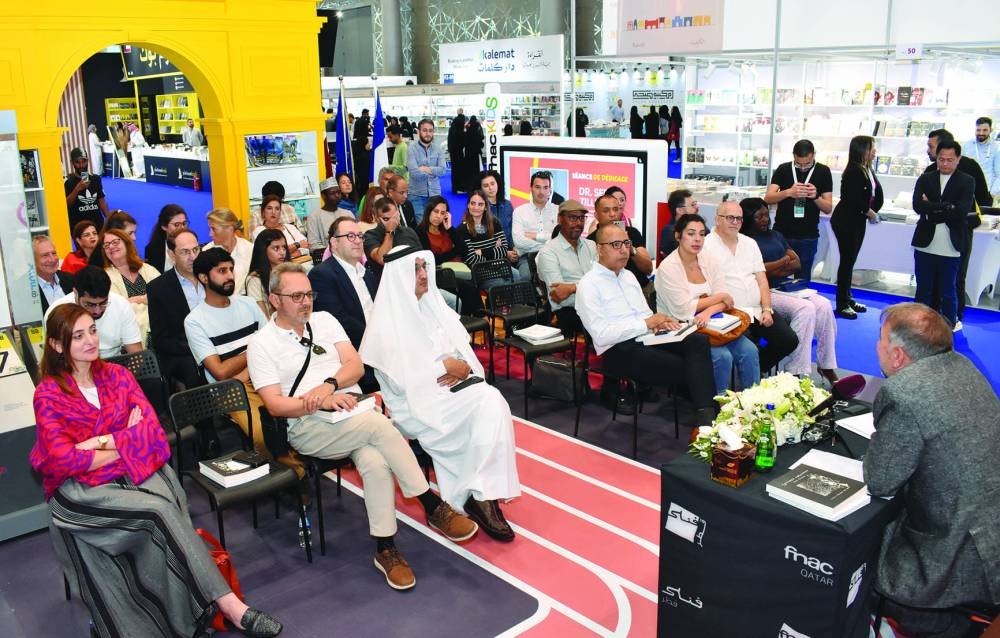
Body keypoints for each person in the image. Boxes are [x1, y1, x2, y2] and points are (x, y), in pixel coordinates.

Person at [30, 304, 283, 638]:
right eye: (78, 336)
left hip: (128, 473)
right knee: (159, 510)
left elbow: (154, 437)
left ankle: (189, 610)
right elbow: (64, 461)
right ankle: (232, 607)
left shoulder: (117, 376)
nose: (90, 340)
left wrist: (99, 443)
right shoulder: (48, 393)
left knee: (166, 494)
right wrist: (126, 439)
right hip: (80, 491)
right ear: (57, 345)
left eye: (92, 330)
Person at [247, 263, 478, 591]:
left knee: (374, 459)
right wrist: (319, 401)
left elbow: (355, 367)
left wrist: (329, 385)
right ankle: (430, 504)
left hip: (351, 413)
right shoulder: (261, 343)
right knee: (377, 426)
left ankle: (386, 548)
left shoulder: (325, 321)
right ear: (274, 299)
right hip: (306, 425)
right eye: (296, 296)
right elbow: (274, 404)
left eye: (308, 294)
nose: (305, 301)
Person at [360, 246, 520, 541]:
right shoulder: (384, 321)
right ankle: (480, 495)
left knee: (492, 402)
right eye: (416, 269)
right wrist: (441, 367)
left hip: (458, 389)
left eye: (424, 267)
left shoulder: (435, 305)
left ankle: (479, 493)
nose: (423, 275)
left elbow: (465, 355)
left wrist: (459, 368)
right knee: (489, 403)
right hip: (419, 403)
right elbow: (395, 381)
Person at [865, 302, 1000, 638]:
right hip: (989, 538)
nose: (877, 347)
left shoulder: (904, 392)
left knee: (860, 543)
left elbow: (880, 480)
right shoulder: (963, 367)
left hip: (946, 560)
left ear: (897, 356)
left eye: (881, 340)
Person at [576, 224, 717, 427]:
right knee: (682, 365)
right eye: (616, 245)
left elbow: (645, 314)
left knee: (698, 341)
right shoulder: (588, 285)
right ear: (599, 249)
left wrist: (661, 321)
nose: (624, 250)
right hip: (617, 349)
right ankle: (706, 418)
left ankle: (706, 413)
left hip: (646, 336)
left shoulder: (629, 276)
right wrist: (646, 324)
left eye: (626, 243)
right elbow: (602, 335)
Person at [185, 248, 304, 480]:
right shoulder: (195, 321)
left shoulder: (248, 304)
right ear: (203, 278)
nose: (230, 275)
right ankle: (294, 478)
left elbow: (273, 343)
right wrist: (254, 350)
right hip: (230, 389)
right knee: (263, 433)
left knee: (298, 414)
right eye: (221, 271)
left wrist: (250, 364)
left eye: (230, 269)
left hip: (264, 372)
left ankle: (293, 471)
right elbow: (219, 372)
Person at [656, 214, 760, 394]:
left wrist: (707, 312)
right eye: (691, 233)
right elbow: (683, 309)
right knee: (722, 356)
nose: (697, 239)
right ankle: (718, 411)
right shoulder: (668, 267)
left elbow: (726, 301)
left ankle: (753, 404)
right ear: (678, 236)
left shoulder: (708, 259)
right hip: (680, 327)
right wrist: (718, 299)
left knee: (749, 350)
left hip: (713, 322)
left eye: (702, 234)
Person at [739, 198, 838, 383]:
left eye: (766, 214)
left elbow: (797, 263)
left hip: (787, 287)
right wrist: (783, 261)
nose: (764, 220)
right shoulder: (745, 241)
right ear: (747, 218)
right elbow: (759, 272)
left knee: (824, 305)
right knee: (805, 309)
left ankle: (826, 365)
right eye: (758, 216)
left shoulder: (776, 235)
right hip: (765, 292)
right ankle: (795, 372)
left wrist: (773, 266)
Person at [703, 201, 799, 374]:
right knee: (748, 348)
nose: (735, 222)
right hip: (729, 313)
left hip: (756, 310)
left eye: (739, 219)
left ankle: (755, 370)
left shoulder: (749, 243)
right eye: (730, 218)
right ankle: (749, 372)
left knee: (789, 340)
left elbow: (762, 280)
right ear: (717, 219)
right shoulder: (705, 246)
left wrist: (767, 309)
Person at [925, 129, 991, 328]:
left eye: (931, 146)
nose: (928, 150)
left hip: (959, 231)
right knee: (936, 277)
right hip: (933, 233)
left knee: (955, 277)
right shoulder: (930, 172)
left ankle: (952, 319)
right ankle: (936, 318)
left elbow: (982, 199)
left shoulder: (969, 169)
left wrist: (940, 208)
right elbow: (921, 203)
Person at [911, 139, 975, 328]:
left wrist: (931, 209)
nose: (944, 164)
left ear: (958, 159)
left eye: (949, 159)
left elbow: (961, 212)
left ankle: (948, 325)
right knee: (923, 289)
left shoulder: (967, 181)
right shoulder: (926, 177)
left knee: (948, 290)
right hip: (925, 243)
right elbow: (917, 205)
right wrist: (946, 206)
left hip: (951, 244)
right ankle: (919, 326)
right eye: (941, 159)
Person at [309, 217, 378, 371]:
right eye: (350, 236)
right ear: (334, 243)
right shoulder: (322, 274)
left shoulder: (367, 274)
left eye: (360, 236)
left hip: (378, 348)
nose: (358, 241)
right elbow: (337, 320)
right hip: (352, 354)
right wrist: (375, 338)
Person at [763, 139, 834, 282]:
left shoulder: (823, 171)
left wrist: (815, 197)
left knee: (803, 279)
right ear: (793, 156)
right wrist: (788, 193)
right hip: (781, 233)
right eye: (798, 163)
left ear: (813, 155)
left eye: (806, 164)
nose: (802, 168)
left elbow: (827, 208)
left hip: (808, 235)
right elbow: (768, 198)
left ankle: (802, 304)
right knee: (776, 276)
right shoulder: (783, 169)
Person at [830, 135, 883, 318]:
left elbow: (873, 193)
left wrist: (870, 210)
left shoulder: (865, 168)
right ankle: (842, 303)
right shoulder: (853, 170)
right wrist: (870, 212)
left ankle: (848, 297)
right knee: (847, 261)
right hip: (846, 221)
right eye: (871, 148)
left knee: (850, 261)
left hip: (857, 221)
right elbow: (851, 198)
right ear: (861, 150)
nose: (874, 151)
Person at [147, 228, 204, 390]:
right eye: (185, 252)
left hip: (217, 344)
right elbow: (161, 339)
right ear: (172, 255)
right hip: (183, 352)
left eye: (195, 250)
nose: (193, 257)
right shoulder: (158, 288)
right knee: (192, 368)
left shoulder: (210, 277)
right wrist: (198, 348)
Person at [45, 266, 142, 359]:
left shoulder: (121, 305)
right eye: (90, 305)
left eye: (103, 303)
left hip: (115, 365)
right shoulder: (57, 311)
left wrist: (124, 376)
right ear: (76, 293)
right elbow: (54, 361)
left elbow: (137, 355)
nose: (97, 311)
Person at [535, 200, 597, 338]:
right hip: (570, 311)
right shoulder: (549, 252)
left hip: (597, 305)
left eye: (582, 218)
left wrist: (572, 288)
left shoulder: (591, 246)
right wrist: (593, 289)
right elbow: (560, 296)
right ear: (559, 219)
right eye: (573, 218)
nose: (578, 223)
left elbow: (604, 282)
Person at [415, 196, 482, 314]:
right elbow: (432, 259)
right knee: (469, 289)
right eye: (435, 211)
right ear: (428, 211)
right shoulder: (420, 232)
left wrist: (450, 228)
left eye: (442, 213)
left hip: (456, 270)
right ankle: (469, 322)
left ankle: (475, 321)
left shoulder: (446, 229)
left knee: (472, 286)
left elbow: (464, 250)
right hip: (438, 273)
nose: (438, 216)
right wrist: (454, 252)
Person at [92, 228, 160, 344]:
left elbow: (163, 296)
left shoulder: (148, 269)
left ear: (127, 243)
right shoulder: (104, 277)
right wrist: (147, 300)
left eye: (115, 242)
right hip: (128, 336)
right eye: (106, 245)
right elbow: (117, 308)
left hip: (160, 328)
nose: (111, 247)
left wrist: (137, 299)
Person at [453, 190, 520, 288]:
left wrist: (481, 251)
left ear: (485, 207)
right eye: (473, 203)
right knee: (501, 284)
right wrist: (495, 252)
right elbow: (472, 259)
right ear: (468, 205)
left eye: (480, 204)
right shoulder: (462, 229)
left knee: (518, 277)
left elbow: (504, 249)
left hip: (499, 266)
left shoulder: (494, 222)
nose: (476, 207)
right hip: (480, 272)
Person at [587, 192, 653, 289]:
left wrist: (629, 247)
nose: (612, 214)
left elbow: (648, 269)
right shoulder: (591, 241)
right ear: (596, 215)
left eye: (616, 209)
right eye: (606, 210)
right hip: (607, 291)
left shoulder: (632, 233)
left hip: (640, 288)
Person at [511, 170, 558, 277]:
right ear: (531, 188)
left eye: (545, 188)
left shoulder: (558, 211)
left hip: (553, 256)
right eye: (537, 187)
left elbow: (559, 238)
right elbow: (519, 242)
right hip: (527, 258)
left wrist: (535, 236)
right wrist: (547, 241)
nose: (541, 192)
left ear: (550, 190)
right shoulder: (519, 211)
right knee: (526, 278)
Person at [363, 197, 422, 277]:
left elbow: (422, 258)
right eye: (386, 219)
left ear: (398, 213)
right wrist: (389, 232)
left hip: (412, 279)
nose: (392, 222)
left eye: (394, 217)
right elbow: (382, 259)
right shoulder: (370, 236)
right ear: (377, 219)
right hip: (386, 284)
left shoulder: (409, 232)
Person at [203, 207, 254, 292]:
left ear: (229, 229)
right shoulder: (207, 251)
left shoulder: (251, 250)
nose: (210, 234)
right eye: (210, 229)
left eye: (214, 229)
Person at [252, 195, 311, 263]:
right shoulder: (259, 231)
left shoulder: (290, 227)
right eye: (269, 208)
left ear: (280, 213)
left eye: (277, 208)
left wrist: (288, 254)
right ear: (263, 213)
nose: (273, 212)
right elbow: (267, 255)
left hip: (302, 264)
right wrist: (297, 245)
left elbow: (306, 246)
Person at [245, 229, 291, 317]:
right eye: (276, 248)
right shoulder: (254, 280)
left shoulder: (289, 272)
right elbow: (263, 318)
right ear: (263, 250)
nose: (282, 252)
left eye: (284, 248)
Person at [408, 118, 447, 216]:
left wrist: (425, 169)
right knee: (421, 225)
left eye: (430, 130)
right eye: (424, 130)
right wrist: (434, 171)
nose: (428, 133)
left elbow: (443, 170)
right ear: (418, 131)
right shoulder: (411, 149)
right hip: (417, 194)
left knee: (436, 224)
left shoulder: (438, 149)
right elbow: (414, 173)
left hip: (435, 193)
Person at [64, 148, 108, 230]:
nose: (81, 165)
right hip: (79, 226)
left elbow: (101, 200)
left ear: (87, 161)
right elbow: (65, 205)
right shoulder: (68, 183)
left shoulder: (95, 179)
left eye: (84, 161)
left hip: (97, 223)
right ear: (72, 163)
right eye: (77, 162)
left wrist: (109, 218)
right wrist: (77, 189)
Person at [306, 177, 354, 249]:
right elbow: (313, 244)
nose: (337, 196)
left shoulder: (348, 214)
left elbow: (356, 236)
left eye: (338, 192)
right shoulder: (314, 216)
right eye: (332, 193)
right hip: (327, 257)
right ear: (323, 196)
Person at [33, 235, 74, 314]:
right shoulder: (26, 289)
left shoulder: (70, 279)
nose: (52, 259)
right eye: (45, 255)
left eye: (54, 253)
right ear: (33, 259)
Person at [143, 204, 188, 273]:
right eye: (176, 224)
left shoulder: (192, 244)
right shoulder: (152, 249)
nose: (182, 228)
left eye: (184, 223)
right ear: (164, 226)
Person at [658, 189, 699, 261]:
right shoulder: (669, 232)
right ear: (680, 210)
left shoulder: (698, 226)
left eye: (695, 204)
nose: (697, 207)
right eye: (693, 205)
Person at [966, 116, 1000, 201]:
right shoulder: (967, 145)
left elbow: (998, 174)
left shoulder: (996, 148)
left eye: (985, 130)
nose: (981, 133)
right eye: (978, 130)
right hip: (968, 191)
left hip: (987, 191)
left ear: (990, 130)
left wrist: (992, 193)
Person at [480, 169, 515, 245]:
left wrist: (513, 247)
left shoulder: (507, 204)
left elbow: (513, 230)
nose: (490, 188)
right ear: (481, 188)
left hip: (511, 248)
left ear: (498, 184)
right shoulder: (479, 208)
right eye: (486, 186)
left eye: (492, 184)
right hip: (491, 251)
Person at [447, 112, 467, 194]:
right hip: (457, 153)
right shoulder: (458, 131)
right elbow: (462, 142)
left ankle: (455, 188)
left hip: (453, 153)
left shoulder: (452, 128)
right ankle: (458, 188)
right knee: (459, 171)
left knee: (455, 171)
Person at [352, 107, 372, 190]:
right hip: (364, 163)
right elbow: (367, 149)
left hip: (357, 162)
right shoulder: (365, 140)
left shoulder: (357, 121)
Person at [463, 115, 485, 191]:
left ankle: (469, 186)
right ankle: (477, 186)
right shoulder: (477, 128)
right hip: (476, 153)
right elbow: (481, 138)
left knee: (469, 170)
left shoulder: (468, 129)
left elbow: (465, 141)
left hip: (468, 153)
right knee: (477, 170)